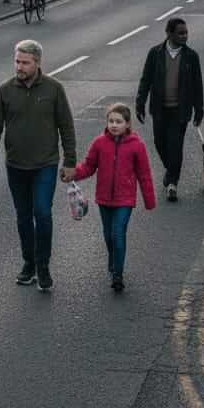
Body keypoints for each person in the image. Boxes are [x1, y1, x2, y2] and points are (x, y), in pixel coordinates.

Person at [0, 39, 77, 292]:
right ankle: (29, 264)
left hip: (45, 163)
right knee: (23, 217)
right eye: (17, 61)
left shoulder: (54, 89)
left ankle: (43, 267)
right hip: (16, 165)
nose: (19, 67)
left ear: (37, 63)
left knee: (42, 213)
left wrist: (70, 161)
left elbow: (66, 126)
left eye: (25, 62)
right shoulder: (5, 90)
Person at [72, 103, 156, 292]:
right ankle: (113, 259)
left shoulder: (137, 145)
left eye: (118, 121)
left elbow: (144, 174)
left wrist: (149, 200)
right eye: (111, 121)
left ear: (127, 124)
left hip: (125, 200)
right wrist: (72, 173)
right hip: (104, 199)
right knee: (108, 236)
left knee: (118, 234)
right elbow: (88, 166)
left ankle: (117, 274)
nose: (114, 125)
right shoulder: (99, 143)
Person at [135, 18, 204, 202]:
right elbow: (146, 79)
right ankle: (170, 170)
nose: (185, 36)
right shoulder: (155, 53)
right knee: (159, 143)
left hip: (180, 111)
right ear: (169, 33)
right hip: (159, 108)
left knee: (175, 146)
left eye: (186, 33)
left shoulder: (191, 56)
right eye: (180, 33)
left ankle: (172, 183)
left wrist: (199, 110)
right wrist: (140, 103)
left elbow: (198, 85)